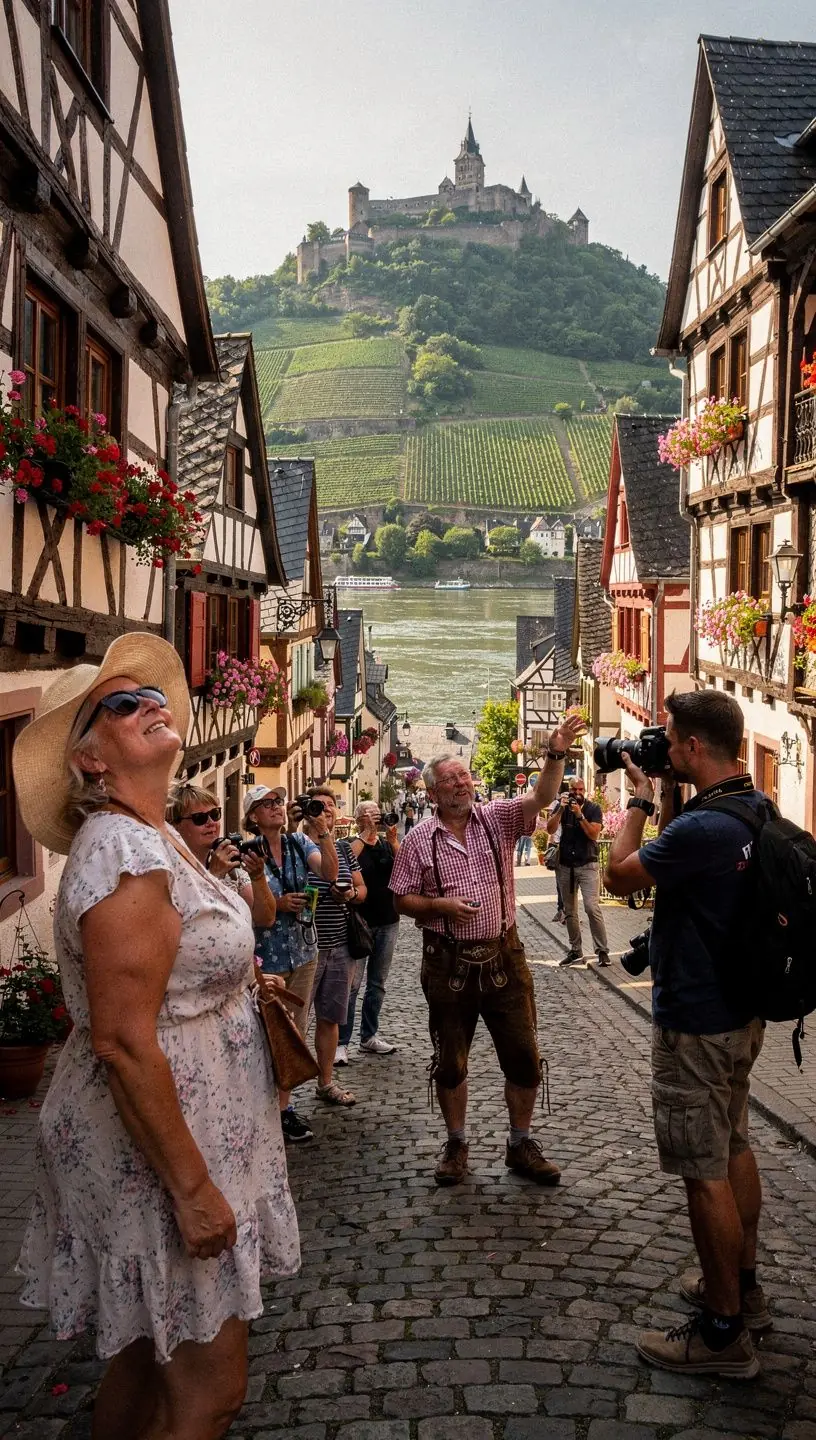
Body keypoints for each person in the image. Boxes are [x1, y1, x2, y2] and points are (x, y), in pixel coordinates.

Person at [11, 633, 299, 1440]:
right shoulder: (125, 855)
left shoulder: (156, 835)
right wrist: (192, 1191)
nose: (150, 705)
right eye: (122, 704)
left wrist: (236, 986)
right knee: (210, 1396)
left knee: (143, 1367)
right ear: (90, 759)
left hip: (184, 1135)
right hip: (163, 1156)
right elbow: (124, 1043)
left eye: (153, 695)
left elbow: (174, 976)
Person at [604, 689, 768, 1380]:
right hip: (743, 1014)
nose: (663, 748)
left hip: (697, 1020)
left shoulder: (701, 830)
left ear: (694, 748)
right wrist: (671, 793)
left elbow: (618, 875)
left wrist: (640, 800)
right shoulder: (753, 808)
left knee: (703, 1172)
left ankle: (723, 1334)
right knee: (734, 1146)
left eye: (670, 739)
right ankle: (745, 1288)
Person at [390, 715, 583, 1187]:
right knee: (451, 1062)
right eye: (450, 780)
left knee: (524, 1056)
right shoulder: (418, 840)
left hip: (504, 957)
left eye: (464, 776)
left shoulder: (496, 818)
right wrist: (438, 906)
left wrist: (555, 752)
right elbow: (400, 899)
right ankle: (456, 1144)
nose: (462, 784)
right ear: (432, 793)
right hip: (447, 962)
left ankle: (520, 1144)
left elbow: (541, 797)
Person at [243, 784, 339, 1143]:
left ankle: (284, 1109)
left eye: (279, 802)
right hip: (266, 957)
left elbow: (330, 874)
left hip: (303, 952)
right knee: (265, 1034)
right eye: (267, 803)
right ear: (253, 815)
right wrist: (279, 903)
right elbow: (250, 908)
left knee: (294, 1032)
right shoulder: (246, 852)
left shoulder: (299, 843)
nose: (276, 807)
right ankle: (261, 1108)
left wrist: (323, 831)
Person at [301, 786, 367, 1105]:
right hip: (303, 946)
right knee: (295, 1021)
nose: (325, 809)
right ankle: (281, 1094)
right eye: (318, 805)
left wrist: (350, 895)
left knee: (330, 1018)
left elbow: (361, 888)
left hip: (339, 942)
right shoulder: (295, 845)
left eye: (330, 805)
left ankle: (325, 1082)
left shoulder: (343, 848)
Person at [336, 801, 400, 1063]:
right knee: (352, 985)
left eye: (377, 813)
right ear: (358, 818)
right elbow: (345, 862)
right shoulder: (347, 844)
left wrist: (392, 839)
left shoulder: (386, 844)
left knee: (377, 983)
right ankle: (341, 1042)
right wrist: (365, 835)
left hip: (388, 920)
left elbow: (405, 865)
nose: (375, 818)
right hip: (358, 923)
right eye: (369, 814)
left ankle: (369, 1036)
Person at [167, 782, 276, 927]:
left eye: (215, 814)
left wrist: (258, 877)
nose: (211, 823)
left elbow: (266, 919)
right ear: (175, 825)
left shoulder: (230, 865)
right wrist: (214, 876)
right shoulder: (169, 870)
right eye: (199, 818)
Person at [547, 776, 610, 966]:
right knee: (569, 911)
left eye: (580, 790)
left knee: (591, 907)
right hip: (566, 866)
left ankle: (602, 951)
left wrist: (580, 815)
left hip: (588, 864)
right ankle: (576, 950)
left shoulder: (593, 808)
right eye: (574, 790)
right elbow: (550, 829)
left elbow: (594, 834)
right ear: (569, 790)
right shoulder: (562, 807)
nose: (577, 793)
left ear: (585, 790)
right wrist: (560, 809)